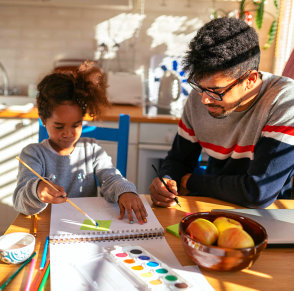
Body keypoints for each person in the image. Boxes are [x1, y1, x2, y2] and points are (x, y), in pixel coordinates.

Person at [149, 17, 294, 209]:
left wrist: (190, 182)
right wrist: (167, 180)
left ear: (250, 80)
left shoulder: (285, 100)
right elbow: (179, 159)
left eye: (216, 91)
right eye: (199, 87)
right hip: (213, 204)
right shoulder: (200, 95)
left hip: (272, 215)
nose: (204, 100)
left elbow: (259, 192)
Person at [13, 61, 147, 224]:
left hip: (85, 227)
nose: (68, 133)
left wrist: (125, 192)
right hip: (46, 229)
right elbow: (20, 203)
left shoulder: (92, 150)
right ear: (43, 120)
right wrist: (37, 189)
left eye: (76, 125)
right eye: (59, 126)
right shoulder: (33, 154)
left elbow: (111, 178)